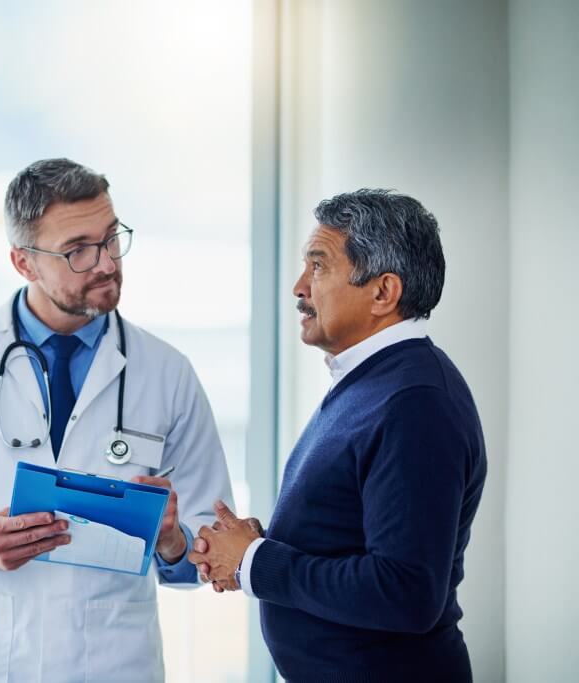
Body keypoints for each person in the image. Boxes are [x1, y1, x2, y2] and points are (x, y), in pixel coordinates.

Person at [0, 158, 233, 682]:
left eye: (111, 238)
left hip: (112, 663)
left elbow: (213, 536)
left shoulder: (166, 372)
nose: (105, 263)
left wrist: (172, 542)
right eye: (77, 250)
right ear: (23, 263)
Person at [189, 189, 487, 682]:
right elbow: (351, 537)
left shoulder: (415, 401)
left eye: (319, 266)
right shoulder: (373, 382)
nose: (299, 287)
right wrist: (246, 552)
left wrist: (255, 561)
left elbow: (405, 591)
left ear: (383, 292)